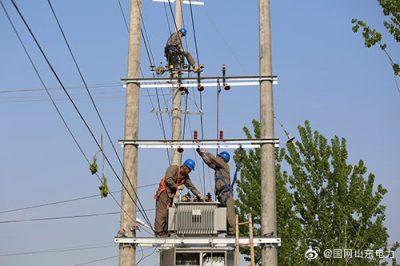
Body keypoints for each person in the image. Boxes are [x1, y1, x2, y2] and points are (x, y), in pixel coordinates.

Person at [154, 159, 204, 237]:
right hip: (163, 192)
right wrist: (177, 187)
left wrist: (198, 194)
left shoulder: (185, 177)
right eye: (189, 169)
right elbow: (168, 179)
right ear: (184, 167)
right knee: (162, 212)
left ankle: (165, 232)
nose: (189, 171)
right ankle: (158, 232)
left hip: (170, 195)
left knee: (168, 213)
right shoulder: (173, 168)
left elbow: (191, 186)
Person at [197, 148, 235, 236]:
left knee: (230, 213)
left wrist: (206, 152)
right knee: (221, 213)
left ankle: (232, 232)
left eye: (219, 157)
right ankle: (223, 230)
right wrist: (202, 154)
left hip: (226, 194)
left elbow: (214, 159)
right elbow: (209, 162)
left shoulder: (224, 165)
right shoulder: (218, 168)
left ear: (222, 159)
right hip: (221, 194)